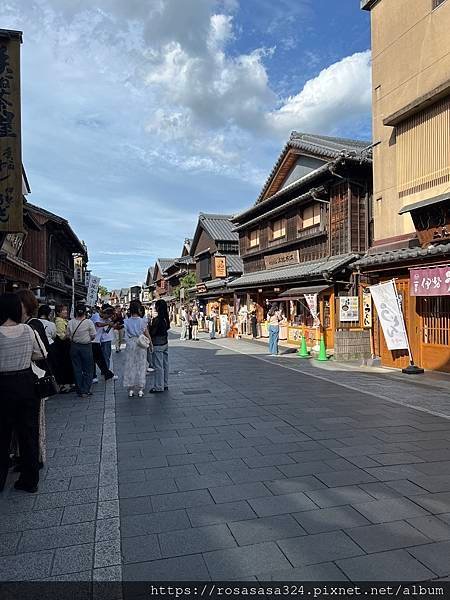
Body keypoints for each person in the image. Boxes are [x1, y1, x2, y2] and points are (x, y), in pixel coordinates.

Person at [0, 293, 45, 493]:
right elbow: (40, 352)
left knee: (2, 435)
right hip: (26, 383)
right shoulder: (28, 330)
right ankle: (30, 480)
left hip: (3, 386)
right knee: (28, 433)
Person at [16, 289, 50, 468]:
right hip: (26, 378)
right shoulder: (22, 325)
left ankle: (35, 458)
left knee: (34, 422)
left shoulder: (33, 325)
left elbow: (43, 353)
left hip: (34, 378)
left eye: (19, 304)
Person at [123, 300, 151, 397]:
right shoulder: (142, 321)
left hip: (131, 344)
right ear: (139, 309)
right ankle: (140, 389)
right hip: (141, 344)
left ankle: (130, 388)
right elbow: (146, 333)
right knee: (141, 365)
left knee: (130, 365)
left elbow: (125, 335)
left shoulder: (126, 321)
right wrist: (150, 344)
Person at [67, 305, 96, 398]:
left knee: (77, 369)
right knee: (88, 369)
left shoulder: (70, 322)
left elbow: (68, 335)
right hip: (86, 347)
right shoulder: (89, 322)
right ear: (85, 312)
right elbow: (93, 335)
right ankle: (85, 389)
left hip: (74, 346)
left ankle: (79, 389)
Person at [148, 299, 170, 393]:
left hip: (157, 343)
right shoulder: (166, 318)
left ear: (158, 307)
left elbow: (153, 332)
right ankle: (165, 384)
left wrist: (149, 326)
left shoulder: (157, 319)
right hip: (165, 342)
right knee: (165, 364)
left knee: (158, 366)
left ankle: (158, 386)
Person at [91, 307, 115, 383]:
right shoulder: (96, 316)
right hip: (91, 341)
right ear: (105, 313)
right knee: (96, 360)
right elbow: (98, 324)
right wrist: (108, 323)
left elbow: (107, 331)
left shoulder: (105, 319)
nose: (107, 318)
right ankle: (95, 376)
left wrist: (111, 324)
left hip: (97, 341)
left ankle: (106, 374)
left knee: (99, 360)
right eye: (107, 316)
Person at [53, 304, 73, 393]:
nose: (65, 311)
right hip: (63, 347)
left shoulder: (63, 320)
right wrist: (69, 334)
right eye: (63, 310)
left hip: (64, 346)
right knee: (65, 365)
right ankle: (65, 386)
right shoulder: (59, 321)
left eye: (66, 310)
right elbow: (62, 337)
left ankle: (67, 384)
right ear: (58, 312)